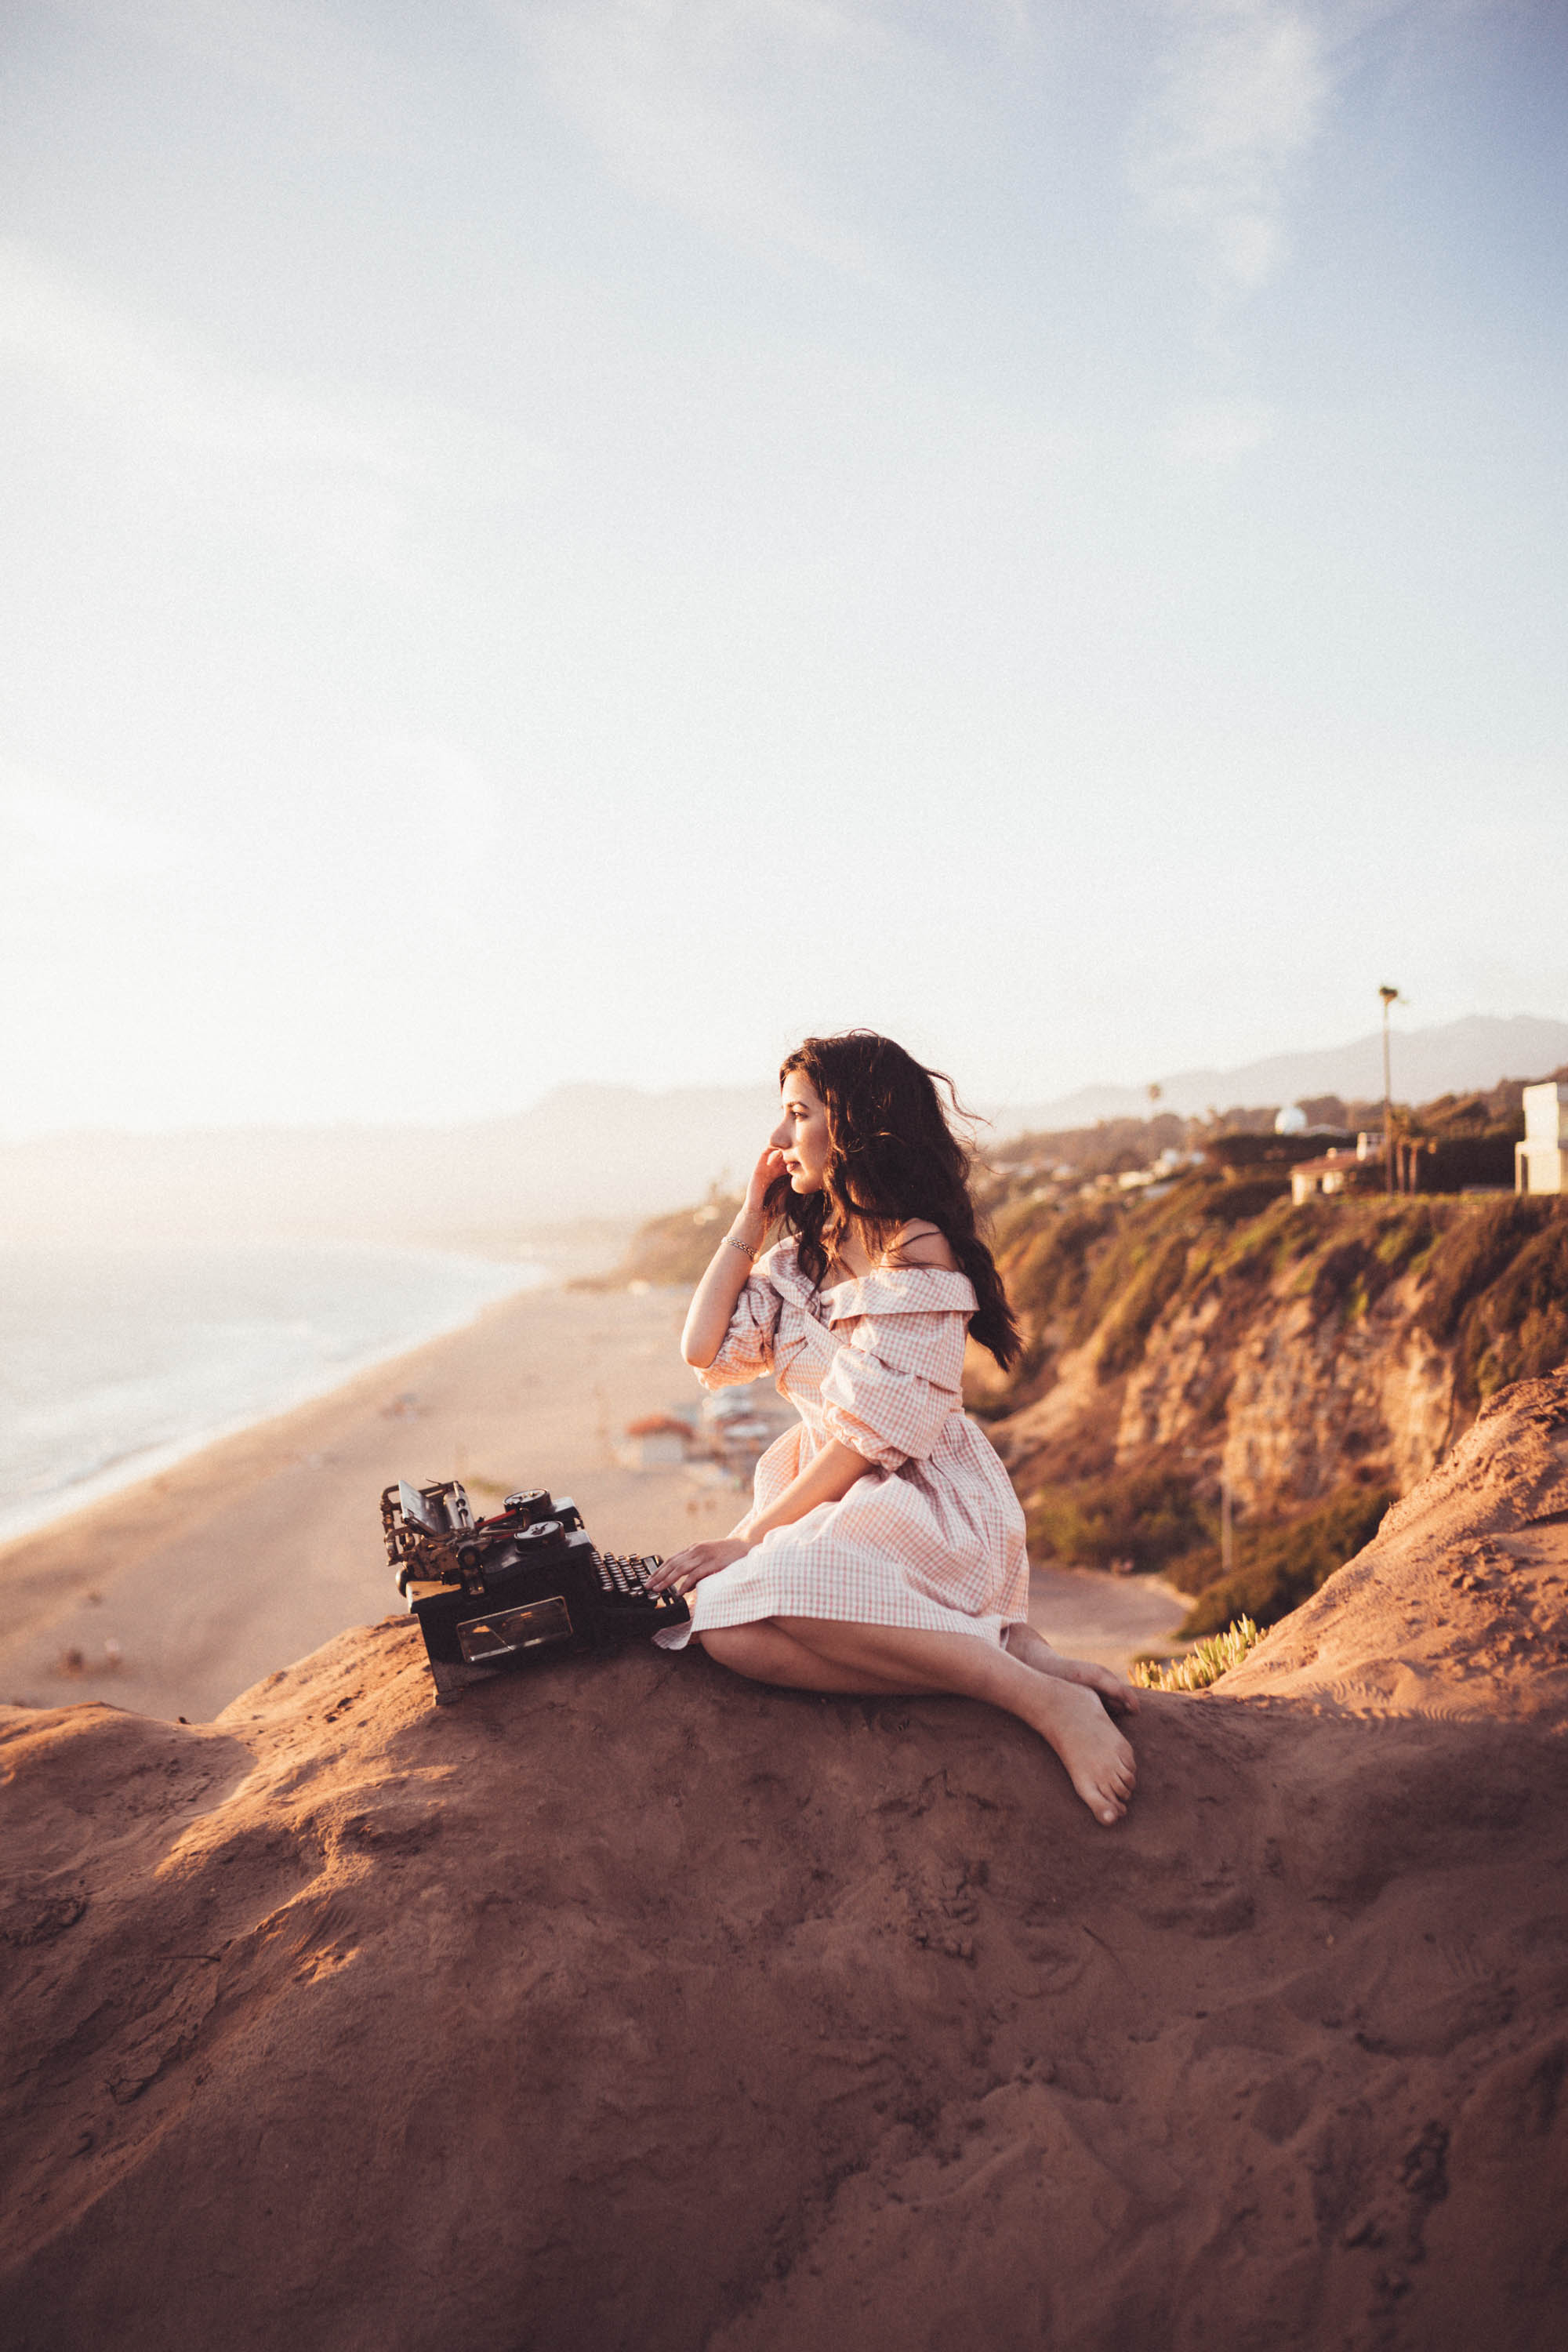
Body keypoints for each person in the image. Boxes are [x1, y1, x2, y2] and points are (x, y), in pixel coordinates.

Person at [648, 1032, 1138, 1828]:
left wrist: (750, 1538)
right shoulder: (797, 1264)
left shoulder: (914, 1250)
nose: (777, 1139)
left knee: (769, 1579)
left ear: (853, 1125)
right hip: (826, 1500)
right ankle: (997, 1651)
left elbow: (864, 1440)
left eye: (797, 1115)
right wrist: (749, 1218)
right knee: (724, 1629)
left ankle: (1042, 1702)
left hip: (926, 1500)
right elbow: (701, 1348)